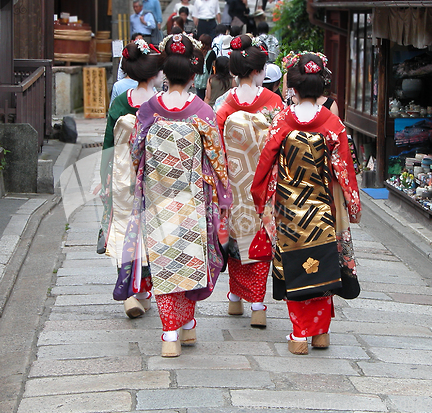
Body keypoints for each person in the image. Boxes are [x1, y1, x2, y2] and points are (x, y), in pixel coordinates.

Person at [122, 33, 232, 357]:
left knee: (164, 261)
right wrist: (223, 199)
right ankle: (182, 327)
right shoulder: (202, 111)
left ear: (164, 73)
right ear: (194, 74)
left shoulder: (148, 111)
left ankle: (174, 330)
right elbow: (218, 160)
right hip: (193, 200)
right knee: (190, 259)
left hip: (157, 199)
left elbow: (135, 151)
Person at [251, 52, 361, 355]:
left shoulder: (282, 120)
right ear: (321, 88)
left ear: (294, 89)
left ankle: (300, 334)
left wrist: (260, 197)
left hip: (288, 208)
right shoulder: (332, 123)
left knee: (295, 267)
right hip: (323, 207)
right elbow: (345, 169)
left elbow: (265, 163)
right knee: (324, 266)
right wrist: (352, 205)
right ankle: (321, 332)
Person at [215, 34, 283, 327]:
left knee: (234, 240)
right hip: (264, 183)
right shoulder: (274, 102)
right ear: (259, 71)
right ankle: (257, 303)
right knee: (260, 239)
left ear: (233, 70)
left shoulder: (224, 104)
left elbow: (215, 147)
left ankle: (234, 299)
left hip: (233, 181)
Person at [99, 39, 164, 318]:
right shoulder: (161, 105)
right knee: (150, 232)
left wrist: (104, 178)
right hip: (154, 175)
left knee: (124, 229)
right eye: (160, 71)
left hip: (122, 173)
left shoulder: (119, 105)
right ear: (153, 74)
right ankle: (139, 291)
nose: (163, 75)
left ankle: (133, 291)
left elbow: (107, 144)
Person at [194, 34, 212, 100]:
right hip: (206, 80)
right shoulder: (211, 53)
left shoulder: (198, 53)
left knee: (199, 97)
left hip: (198, 80)